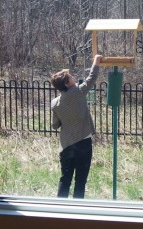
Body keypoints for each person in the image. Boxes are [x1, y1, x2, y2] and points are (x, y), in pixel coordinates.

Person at [50, 54, 103, 198]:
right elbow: (91, 78)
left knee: (65, 179)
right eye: (71, 77)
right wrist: (96, 62)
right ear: (67, 84)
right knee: (80, 181)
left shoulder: (55, 103)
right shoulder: (78, 92)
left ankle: (60, 209)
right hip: (83, 144)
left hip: (66, 146)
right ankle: (77, 210)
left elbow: (55, 125)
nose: (74, 77)